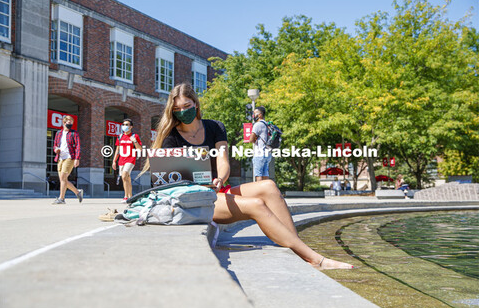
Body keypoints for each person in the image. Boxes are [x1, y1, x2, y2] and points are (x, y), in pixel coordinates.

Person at [143, 83, 353, 270]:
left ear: (196, 105)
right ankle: (316, 259)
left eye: (186, 106)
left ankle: (297, 247)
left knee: (268, 186)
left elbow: (222, 160)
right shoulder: (171, 137)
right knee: (256, 205)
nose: (182, 112)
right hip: (195, 200)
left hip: (218, 191)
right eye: (177, 109)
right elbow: (170, 179)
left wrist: (220, 179)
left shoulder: (214, 127)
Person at [52, 115, 83, 204]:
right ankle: (77, 192)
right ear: (64, 123)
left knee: (63, 177)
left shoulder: (74, 133)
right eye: (69, 122)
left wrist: (77, 158)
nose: (70, 124)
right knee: (63, 179)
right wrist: (56, 149)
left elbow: (78, 147)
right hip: (60, 158)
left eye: (71, 123)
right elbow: (55, 145)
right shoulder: (58, 133)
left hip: (70, 157)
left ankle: (61, 199)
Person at [112, 118, 143, 203]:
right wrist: (114, 161)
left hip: (130, 158)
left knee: (125, 175)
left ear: (131, 127)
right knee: (126, 178)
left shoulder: (134, 136)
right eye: (123, 124)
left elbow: (140, 149)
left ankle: (125, 196)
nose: (124, 126)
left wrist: (135, 141)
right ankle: (130, 196)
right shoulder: (120, 136)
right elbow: (117, 150)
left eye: (127, 125)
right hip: (122, 159)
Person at [250, 106, 272, 181]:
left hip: (259, 153)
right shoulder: (267, 124)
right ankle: (266, 191)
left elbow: (251, 139)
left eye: (254, 113)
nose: (253, 115)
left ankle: (260, 192)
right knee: (265, 174)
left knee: (258, 174)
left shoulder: (257, 124)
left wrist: (255, 139)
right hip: (267, 153)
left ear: (260, 115)